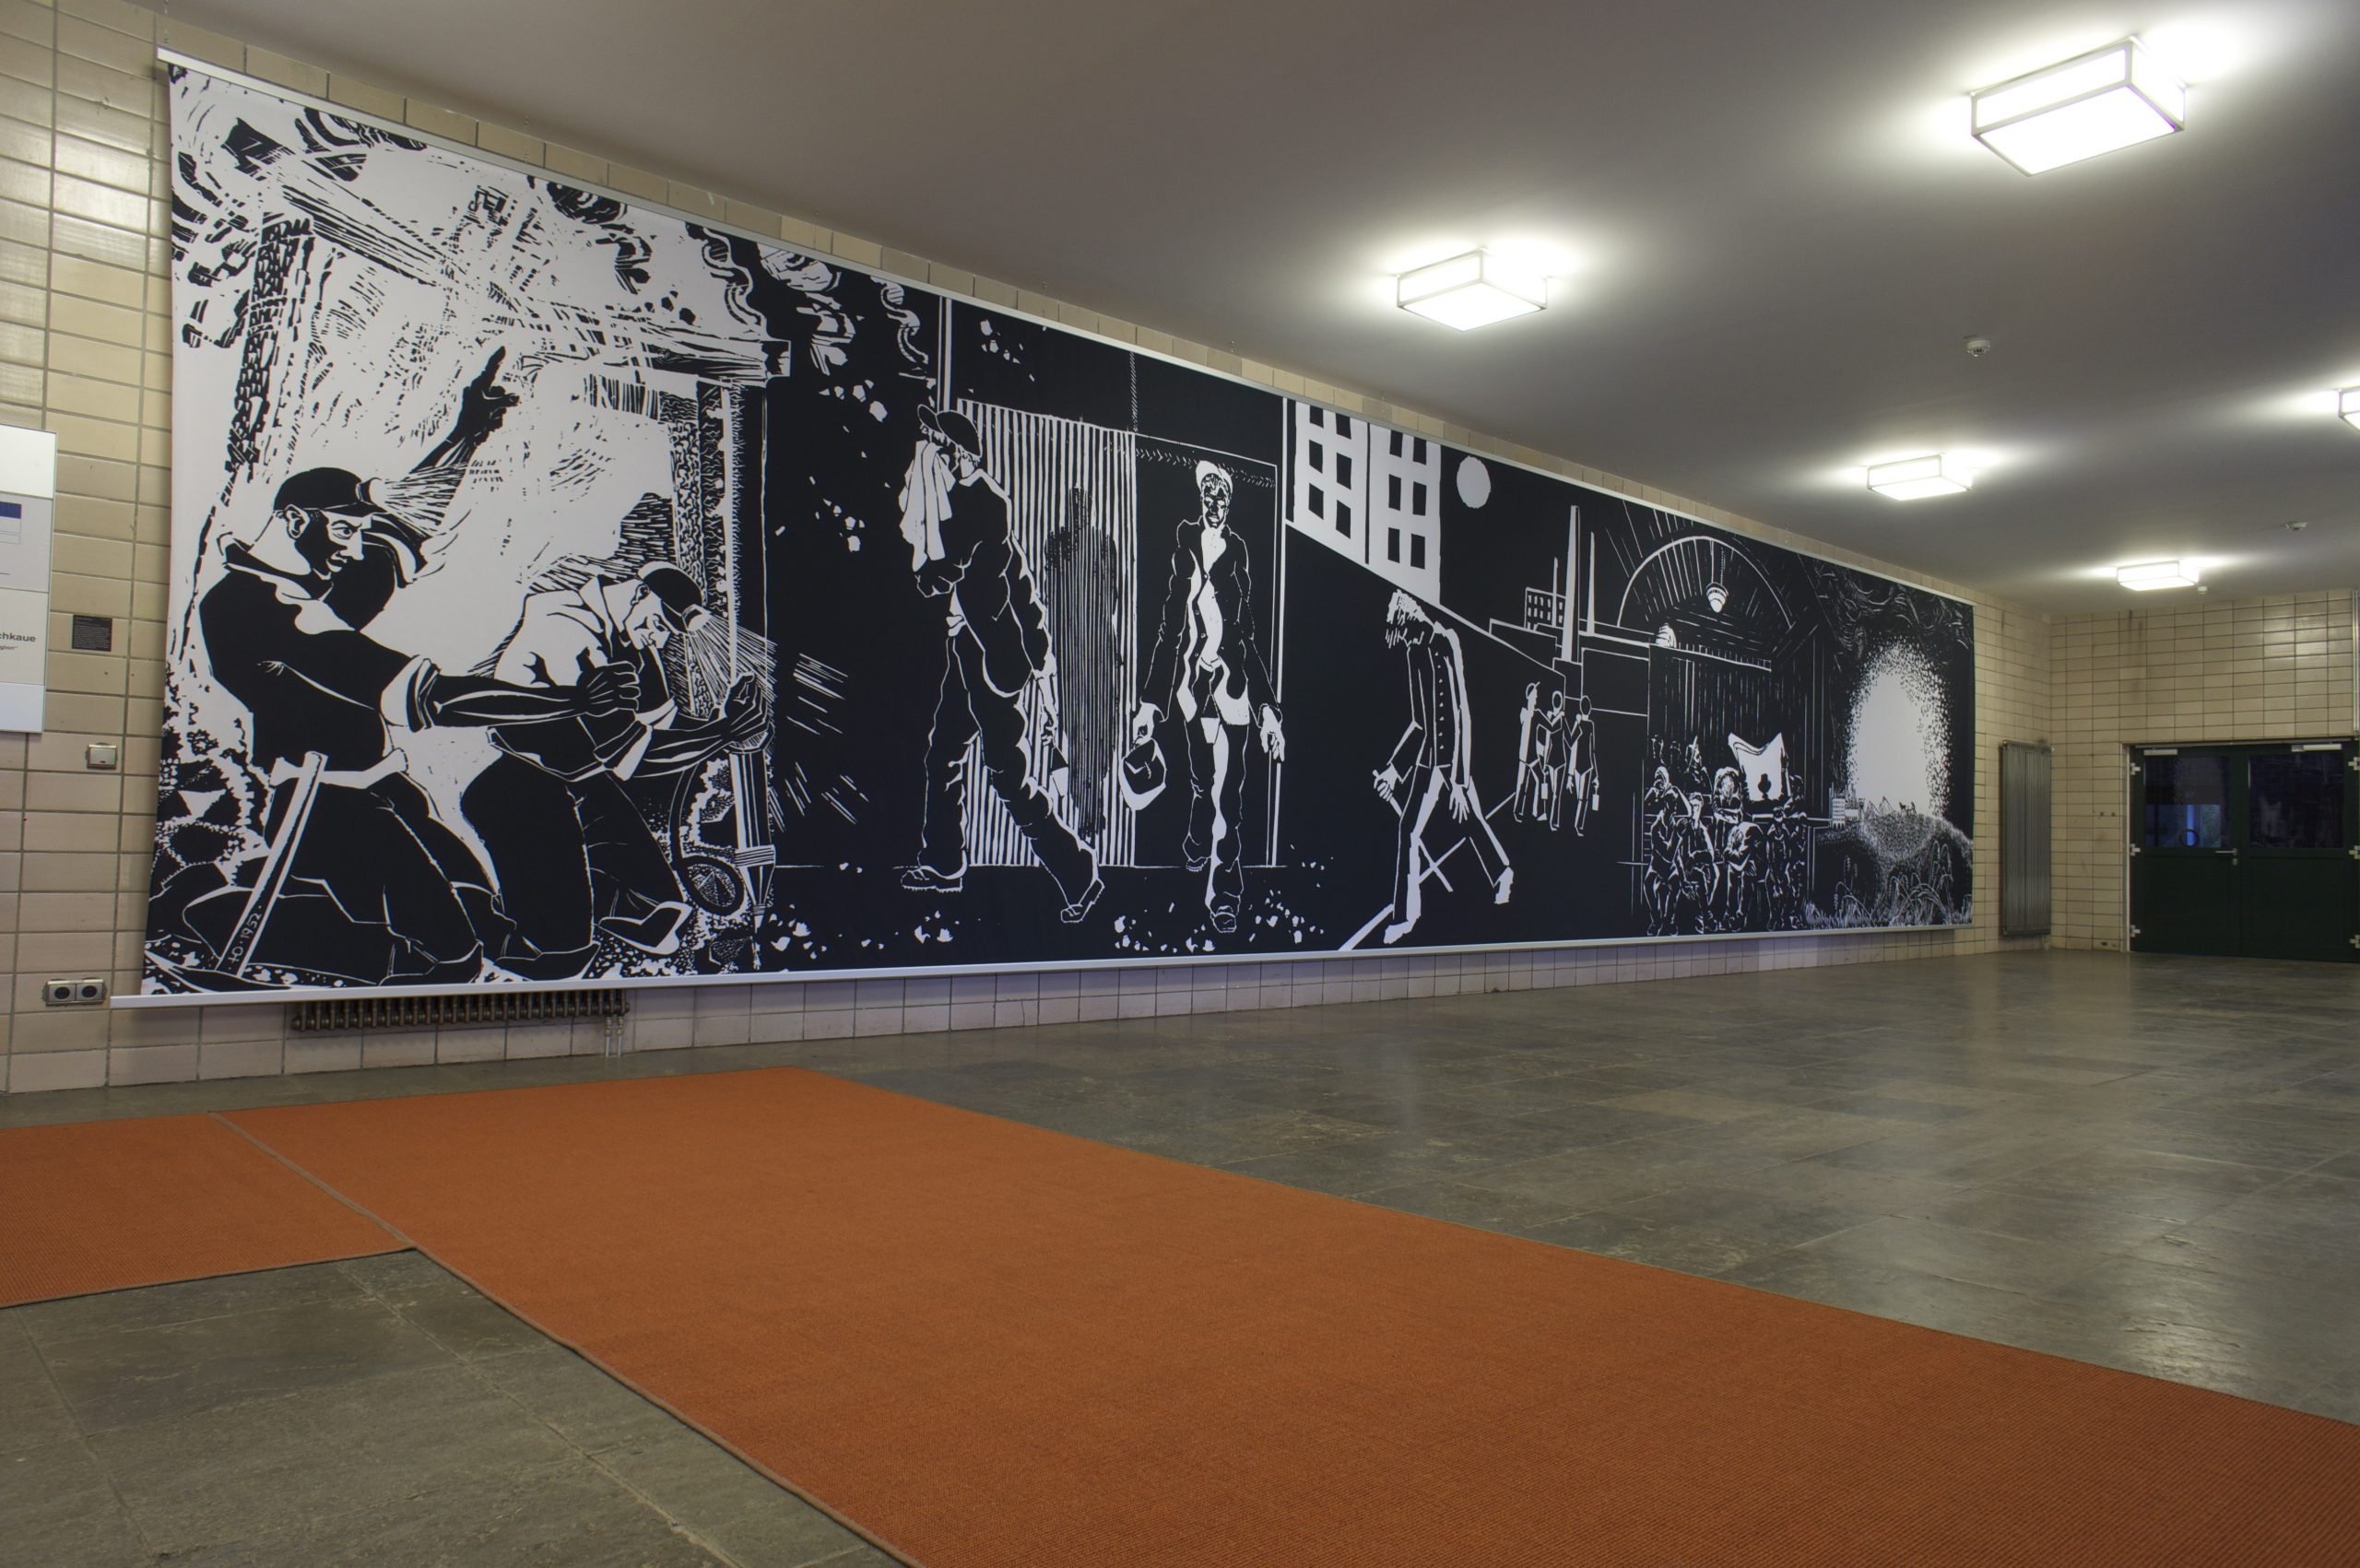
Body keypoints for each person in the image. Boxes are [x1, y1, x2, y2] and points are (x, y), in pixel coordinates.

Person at [182, 467, 635, 985]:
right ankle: (211, 914)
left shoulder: (316, 586)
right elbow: (438, 699)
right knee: (447, 962)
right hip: (323, 807)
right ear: (295, 521)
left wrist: (469, 432)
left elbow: (409, 525)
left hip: (390, 793)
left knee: (526, 951)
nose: (355, 549)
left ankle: (298, 906)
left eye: (358, 532)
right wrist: (572, 701)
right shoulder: (254, 607)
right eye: (345, 531)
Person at [462, 561, 770, 978]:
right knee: (556, 958)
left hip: (582, 786)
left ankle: (578, 892)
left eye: (667, 633)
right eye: (659, 624)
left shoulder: (629, 638)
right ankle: (459, 901)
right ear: (641, 593)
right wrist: (722, 734)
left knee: (658, 915)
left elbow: (666, 727)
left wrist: (725, 726)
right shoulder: (565, 629)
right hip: (521, 793)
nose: (659, 639)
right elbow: (631, 754)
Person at [901, 407, 1102, 923]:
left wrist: (1039, 666)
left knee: (1007, 777)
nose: (935, 454)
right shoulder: (962, 498)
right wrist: (1043, 656)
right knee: (942, 756)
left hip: (990, 663)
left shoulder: (984, 502)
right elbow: (1021, 583)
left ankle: (1078, 872)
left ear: (963, 455)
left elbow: (949, 568)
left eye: (942, 447)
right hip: (968, 650)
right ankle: (944, 862)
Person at [1130, 460, 1283, 933]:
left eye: (1223, 497)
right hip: (1194, 689)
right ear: (1201, 499)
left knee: (1229, 796)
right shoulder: (1185, 549)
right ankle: (1197, 839)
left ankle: (1226, 892)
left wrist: (1267, 710)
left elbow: (1248, 639)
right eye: (1209, 495)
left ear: (1230, 504)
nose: (1215, 503)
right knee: (1202, 780)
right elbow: (1169, 631)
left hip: (1233, 691)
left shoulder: (1237, 554)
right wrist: (1151, 703)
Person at [1374, 591, 1509, 945]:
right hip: (1427, 759)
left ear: (1412, 622)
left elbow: (1462, 713)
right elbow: (1420, 723)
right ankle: (1404, 916)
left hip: (1452, 760)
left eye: (1405, 634)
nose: (1405, 641)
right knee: (1408, 831)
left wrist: (1460, 782)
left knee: (1470, 817)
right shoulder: (1414, 653)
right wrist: (1394, 770)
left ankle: (1501, 872)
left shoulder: (1446, 641)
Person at [1564, 693, 1598, 836]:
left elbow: (1572, 747)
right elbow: (1592, 750)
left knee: (1581, 799)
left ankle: (1578, 825)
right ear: (1589, 709)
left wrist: (1570, 775)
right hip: (1586, 765)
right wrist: (1596, 774)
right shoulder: (1589, 725)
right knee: (1582, 799)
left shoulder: (1584, 725)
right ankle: (1578, 826)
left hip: (1580, 765)